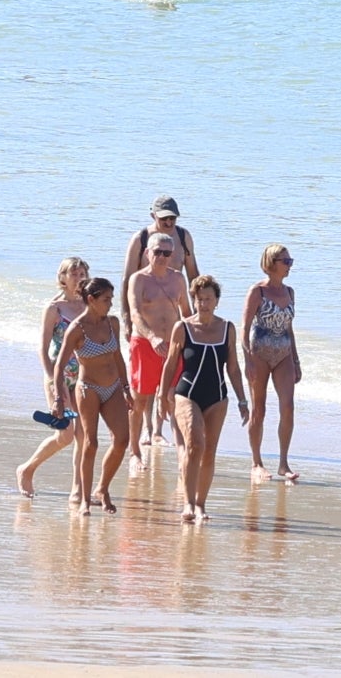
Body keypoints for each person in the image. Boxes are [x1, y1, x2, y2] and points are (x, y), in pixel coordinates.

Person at [162, 275, 248, 522]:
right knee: (194, 444)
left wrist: (242, 400)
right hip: (186, 393)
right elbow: (170, 363)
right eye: (199, 299)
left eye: (208, 299)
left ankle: (200, 504)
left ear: (217, 301)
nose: (203, 304)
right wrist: (161, 395)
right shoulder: (184, 327)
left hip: (218, 396)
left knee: (209, 451)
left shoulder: (227, 328)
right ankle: (188, 503)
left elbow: (232, 367)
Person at [50, 277, 133, 516]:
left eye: (111, 299)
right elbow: (59, 366)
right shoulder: (77, 329)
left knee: (122, 440)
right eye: (106, 299)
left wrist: (127, 389)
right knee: (90, 443)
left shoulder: (112, 323)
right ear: (91, 300)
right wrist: (58, 397)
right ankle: (85, 500)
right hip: (88, 389)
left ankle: (103, 488)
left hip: (113, 387)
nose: (110, 304)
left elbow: (118, 358)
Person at [17, 256, 90, 499]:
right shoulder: (54, 309)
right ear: (62, 278)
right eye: (74, 274)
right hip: (60, 379)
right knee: (66, 434)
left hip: (84, 379)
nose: (79, 279)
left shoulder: (90, 305)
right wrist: (53, 382)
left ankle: (78, 490)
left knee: (84, 435)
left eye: (82, 274)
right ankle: (27, 469)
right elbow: (43, 347)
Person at [126, 233, 193, 466]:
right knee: (140, 400)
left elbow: (186, 312)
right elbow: (134, 312)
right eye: (157, 252)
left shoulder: (178, 279)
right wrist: (153, 337)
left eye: (167, 253)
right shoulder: (138, 279)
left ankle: (177, 450)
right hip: (145, 344)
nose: (162, 257)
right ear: (147, 253)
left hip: (173, 346)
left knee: (173, 397)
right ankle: (134, 452)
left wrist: (199, 336)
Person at [242, 243, 301, 482]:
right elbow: (244, 328)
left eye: (290, 262)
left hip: (284, 354)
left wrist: (296, 360)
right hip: (260, 353)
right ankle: (256, 463)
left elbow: (289, 328)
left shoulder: (290, 292)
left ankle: (283, 463)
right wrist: (247, 360)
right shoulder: (258, 291)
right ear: (271, 263)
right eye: (285, 262)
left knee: (288, 407)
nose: (289, 266)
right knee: (260, 409)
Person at [122, 195, 200, 338]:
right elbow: (127, 280)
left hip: (171, 316)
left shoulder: (184, 237)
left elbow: (193, 277)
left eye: (172, 218)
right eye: (164, 218)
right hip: (145, 319)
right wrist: (127, 319)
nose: (169, 222)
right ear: (153, 216)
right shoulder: (140, 239)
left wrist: (198, 314)